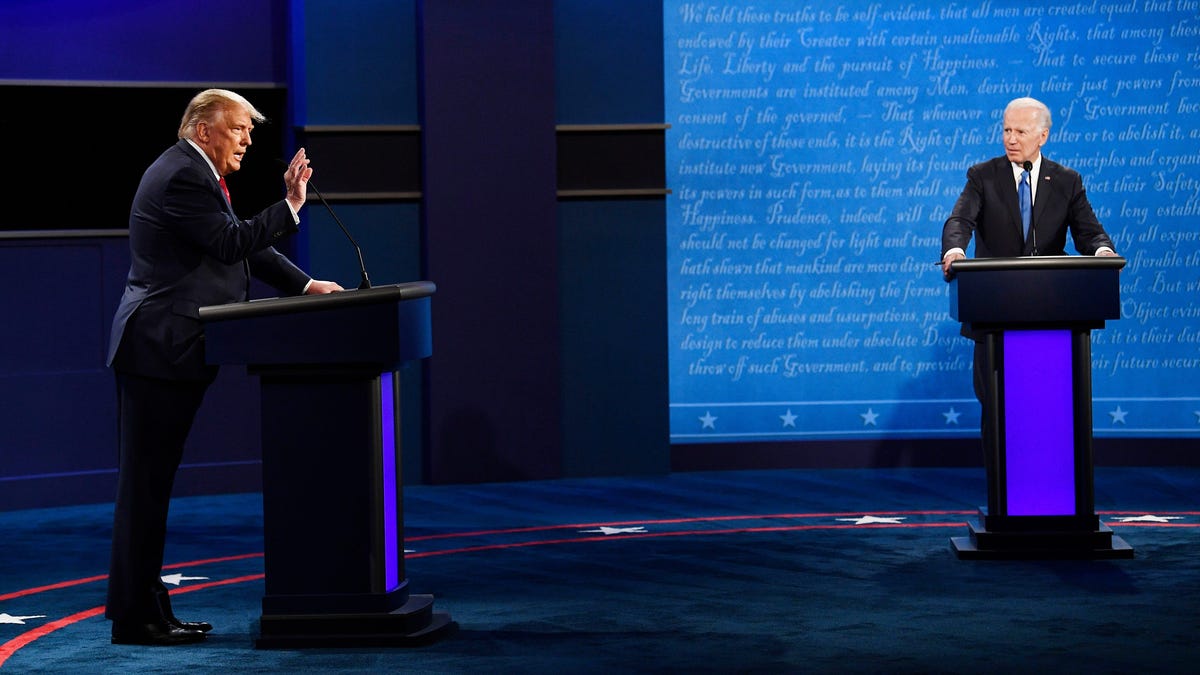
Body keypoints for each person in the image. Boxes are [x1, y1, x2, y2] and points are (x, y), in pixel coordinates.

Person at [105, 89, 343, 646]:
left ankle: (146, 606)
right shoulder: (183, 175)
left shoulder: (194, 172)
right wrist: (290, 207)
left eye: (249, 131)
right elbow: (230, 240)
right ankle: (135, 616)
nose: (248, 139)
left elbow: (239, 246)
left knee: (151, 486)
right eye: (238, 129)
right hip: (158, 348)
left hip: (167, 349)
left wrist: (304, 285)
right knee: (145, 487)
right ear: (204, 128)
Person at [939, 96, 1117, 479]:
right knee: (999, 410)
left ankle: (1051, 488)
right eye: (1006, 129)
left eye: (1020, 131)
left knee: (1050, 411)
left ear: (1043, 135)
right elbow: (960, 219)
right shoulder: (982, 176)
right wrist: (955, 249)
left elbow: (1089, 232)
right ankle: (1002, 496)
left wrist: (1102, 251)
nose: (1011, 138)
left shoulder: (1066, 181)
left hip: (1053, 318)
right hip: (994, 316)